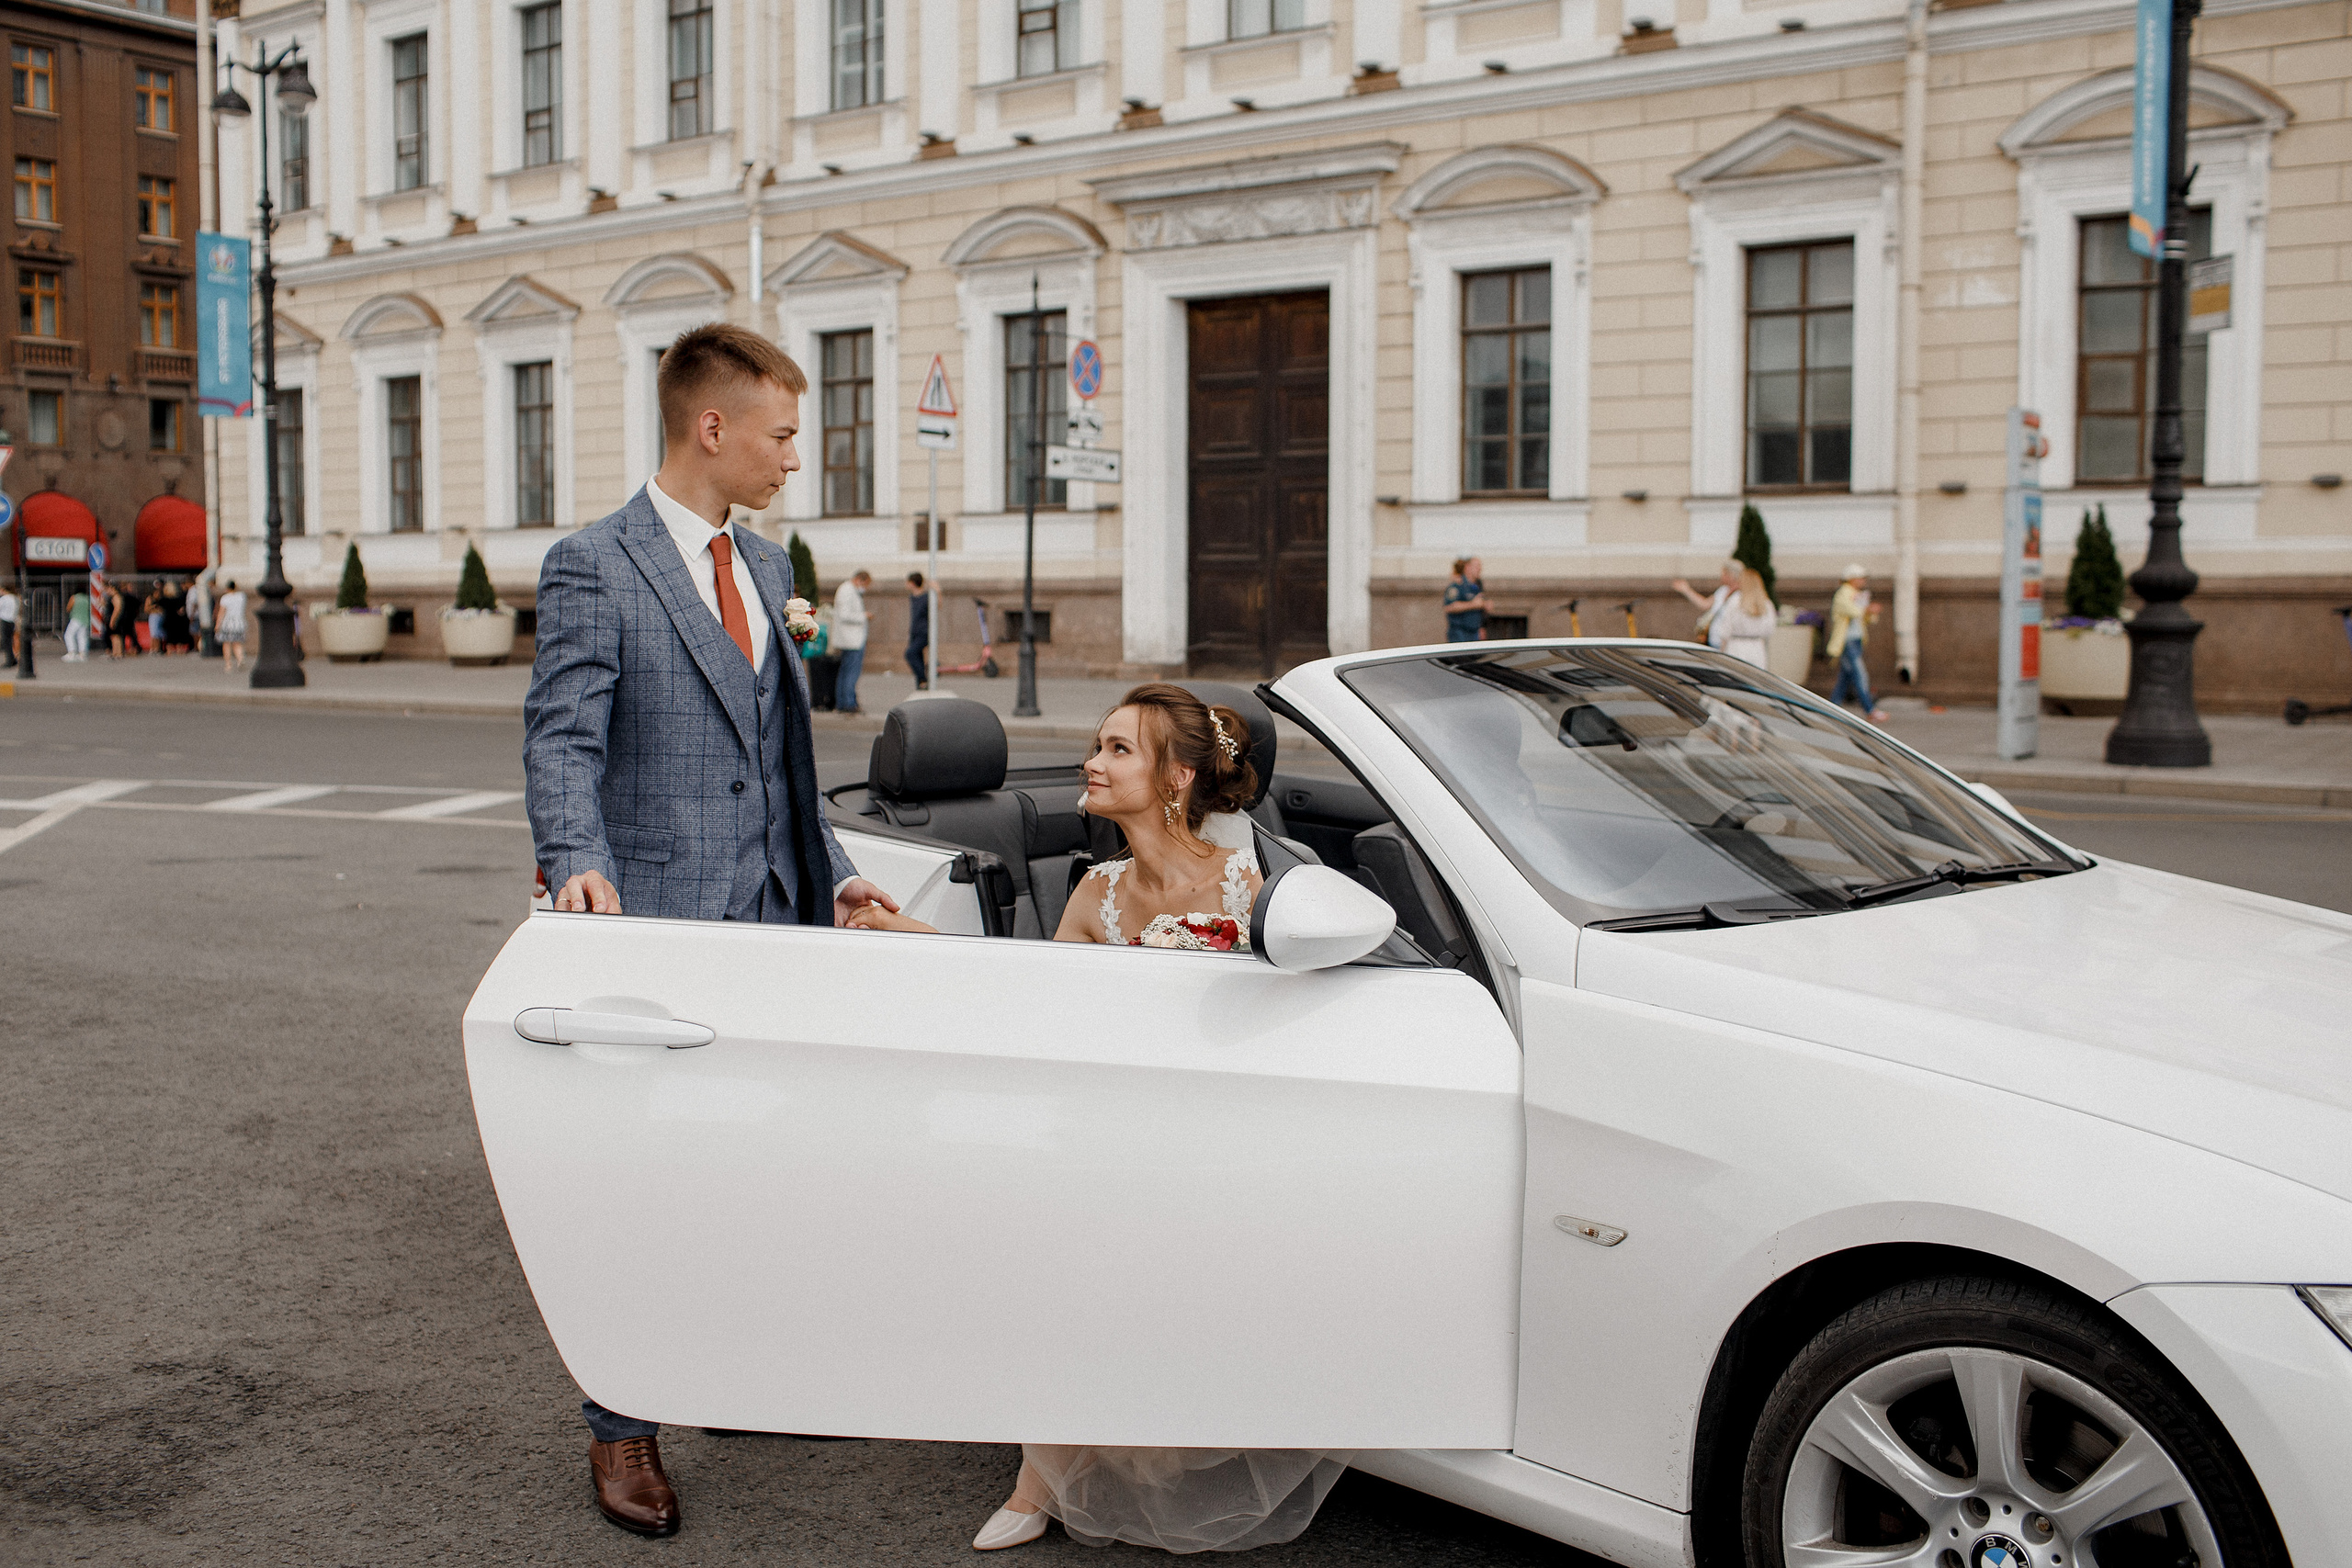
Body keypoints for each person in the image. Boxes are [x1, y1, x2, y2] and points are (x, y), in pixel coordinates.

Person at [523, 321, 899, 1540]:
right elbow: (562, 737)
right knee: (635, 1183)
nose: (798, 455)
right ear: (713, 427)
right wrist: (577, 861)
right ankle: (619, 1420)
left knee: (750, 1165)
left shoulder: (775, 570)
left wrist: (834, 874)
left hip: (776, 920)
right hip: (658, 925)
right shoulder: (596, 563)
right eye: (784, 432)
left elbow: (783, 759)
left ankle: (725, 1373)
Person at [851, 686, 1348, 1556]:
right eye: (1097, 743)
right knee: (1066, 1224)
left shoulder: (1254, 879)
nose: (1093, 760)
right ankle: (1038, 1481)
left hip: (1229, 1137)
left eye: (1118, 749)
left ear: (1175, 776)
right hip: (1120, 1134)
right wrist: (901, 930)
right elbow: (1033, 997)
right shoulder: (1097, 890)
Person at [1829, 563, 1888, 722]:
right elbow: (1853, 611)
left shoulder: (1857, 593)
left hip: (1855, 640)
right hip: (1847, 641)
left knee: (1845, 678)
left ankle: (1831, 707)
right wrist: (1868, 609)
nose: (1863, 581)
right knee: (1859, 675)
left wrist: (1869, 611)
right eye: (1860, 578)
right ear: (1852, 578)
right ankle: (1870, 709)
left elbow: (1867, 618)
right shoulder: (1843, 593)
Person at [1669, 559, 1742, 650]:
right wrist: (1686, 590)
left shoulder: (1740, 595)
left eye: (1724, 573)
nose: (1721, 576)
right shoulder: (1722, 591)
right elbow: (1705, 604)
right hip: (1714, 641)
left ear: (1731, 575)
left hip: (1728, 644)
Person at [1714, 567, 1777, 669]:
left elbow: (1726, 629)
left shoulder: (1735, 601)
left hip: (1736, 647)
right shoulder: (1766, 604)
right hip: (1757, 648)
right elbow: (1770, 630)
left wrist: (1722, 651)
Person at [831, 569, 871, 712]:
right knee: (851, 673)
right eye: (865, 585)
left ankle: (845, 702)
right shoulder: (847, 591)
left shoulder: (848, 590)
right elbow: (845, 615)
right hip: (851, 640)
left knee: (846, 671)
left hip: (850, 639)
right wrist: (864, 616)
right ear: (860, 580)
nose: (864, 588)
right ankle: (848, 703)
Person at [1442, 557, 1488, 642]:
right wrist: (1473, 605)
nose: (1479, 569)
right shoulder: (1457, 586)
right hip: (1460, 633)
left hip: (1474, 632)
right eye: (1476, 566)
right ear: (1467, 567)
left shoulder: (1477, 586)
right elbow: (1449, 607)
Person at [215, 580, 248, 672]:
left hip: (228, 623)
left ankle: (228, 664)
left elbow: (222, 612)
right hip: (239, 622)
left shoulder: (225, 598)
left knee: (226, 644)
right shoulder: (241, 596)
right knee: (237, 643)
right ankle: (240, 659)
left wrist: (218, 624)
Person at [904, 570, 930, 690]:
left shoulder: (926, 597)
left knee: (910, 653)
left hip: (923, 632)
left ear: (913, 583)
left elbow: (937, 606)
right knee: (918, 658)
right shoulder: (913, 597)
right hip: (914, 632)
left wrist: (937, 590)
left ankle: (923, 678)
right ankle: (921, 684)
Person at [62, 585, 93, 660]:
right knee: (82, 636)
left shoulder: (74, 597)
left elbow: (68, 608)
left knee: (68, 635)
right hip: (85, 619)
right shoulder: (87, 598)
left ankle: (71, 652)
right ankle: (82, 653)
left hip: (76, 619)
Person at [1, 583, 17, 668]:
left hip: (5, 620)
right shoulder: (15, 598)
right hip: (12, 621)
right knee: (10, 641)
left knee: (6, 642)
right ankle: (13, 659)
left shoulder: (4, 599)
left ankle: (9, 660)